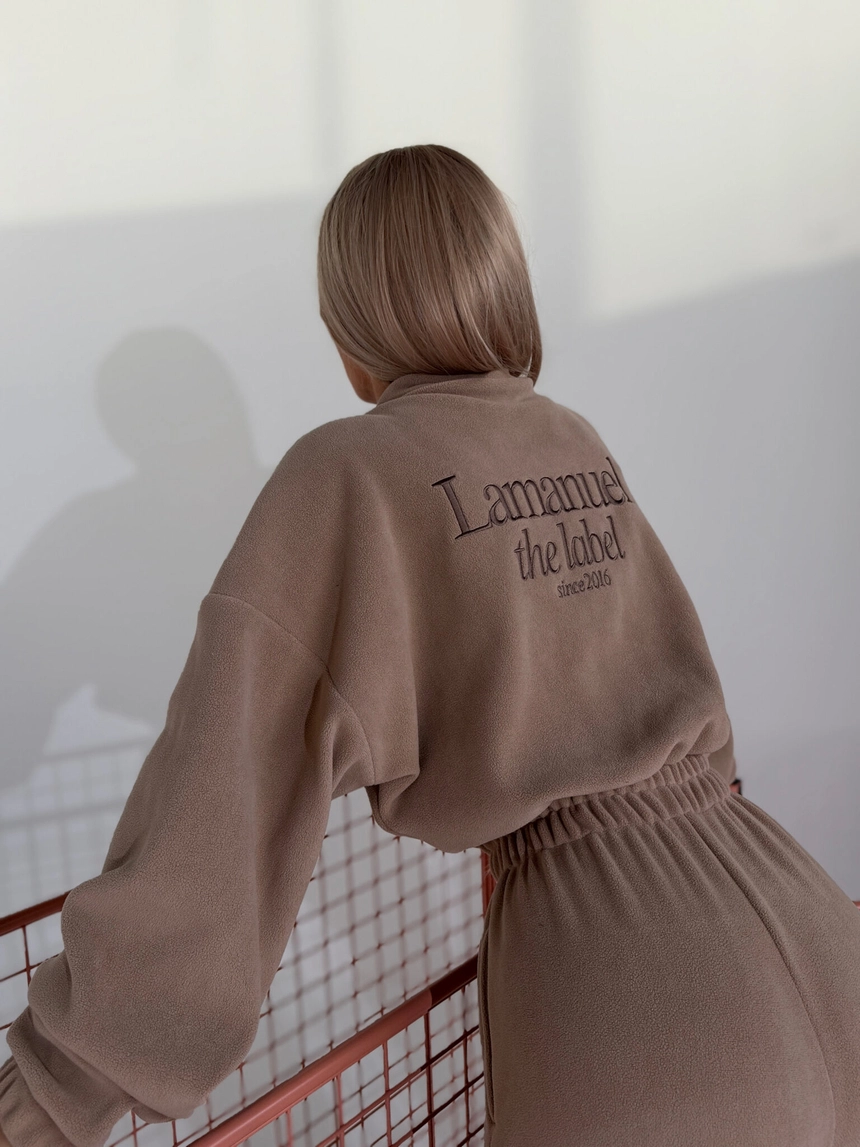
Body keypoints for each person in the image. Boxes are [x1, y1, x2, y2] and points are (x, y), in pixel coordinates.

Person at [2, 143, 859, 1147]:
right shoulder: (568, 437)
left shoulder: (343, 473)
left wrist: (52, 1095)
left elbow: (222, 805)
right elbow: (692, 711)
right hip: (805, 919)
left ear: (350, 334)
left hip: (626, 1009)